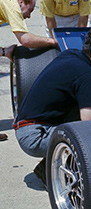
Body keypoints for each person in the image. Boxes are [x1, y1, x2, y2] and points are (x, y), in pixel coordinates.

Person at [13, 25, 91, 183]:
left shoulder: (71, 55)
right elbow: (89, 121)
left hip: (26, 126)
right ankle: (72, 175)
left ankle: (45, 168)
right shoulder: (85, 74)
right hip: (34, 136)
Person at [1, 0, 57, 142]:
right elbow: (25, 40)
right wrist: (53, 42)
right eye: (30, 11)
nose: (29, 17)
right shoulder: (12, 5)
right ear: (21, 2)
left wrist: (3, 52)